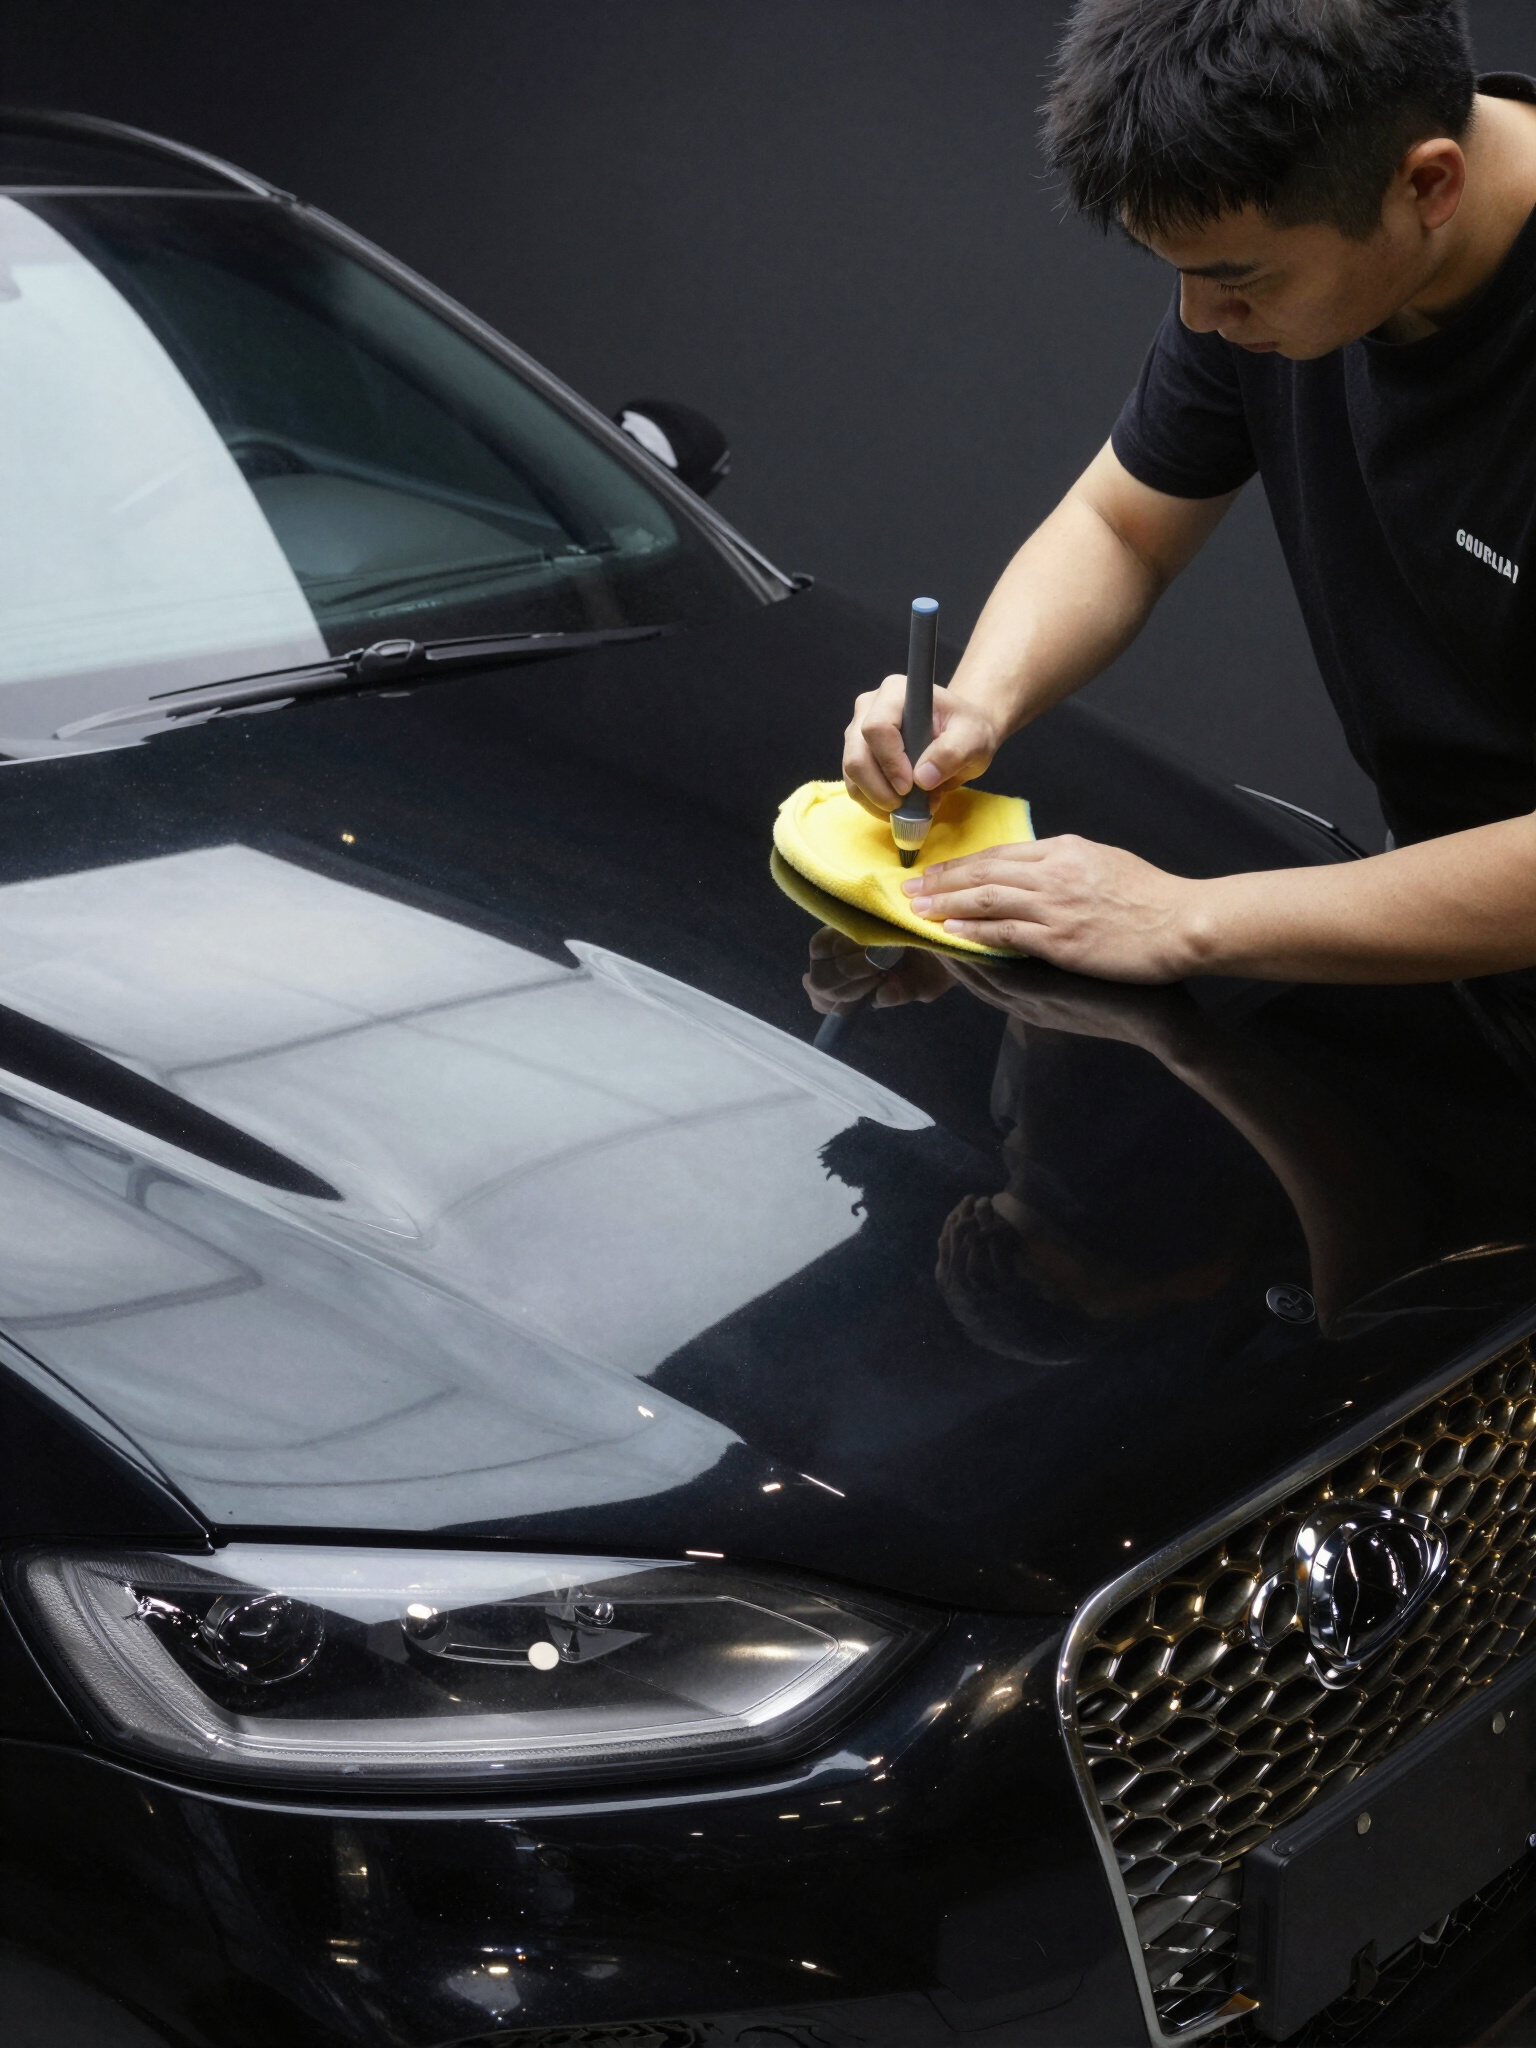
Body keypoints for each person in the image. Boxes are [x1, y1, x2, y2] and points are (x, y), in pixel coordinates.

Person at [842, 0, 1536, 992]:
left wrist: (1185, 917)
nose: (1202, 319)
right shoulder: (1291, 245)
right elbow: (1123, 526)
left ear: (1428, 185)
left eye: (1238, 280)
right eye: (1180, 274)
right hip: (1447, 931)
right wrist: (976, 703)